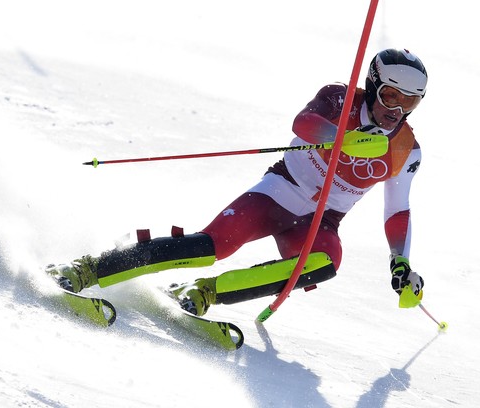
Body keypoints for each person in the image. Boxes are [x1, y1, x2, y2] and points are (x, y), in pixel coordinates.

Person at [46, 48, 427, 316]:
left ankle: (204, 292)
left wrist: (400, 261)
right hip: (280, 192)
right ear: (374, 84)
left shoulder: (406, 150)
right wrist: (340, 135)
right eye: (390, 95)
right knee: (212, 246)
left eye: (409, 102)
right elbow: (303, 124)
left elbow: (398, 210)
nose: (395, 109)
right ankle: (88, 269)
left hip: (321, 221)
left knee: (324, 264)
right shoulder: (339, 98)